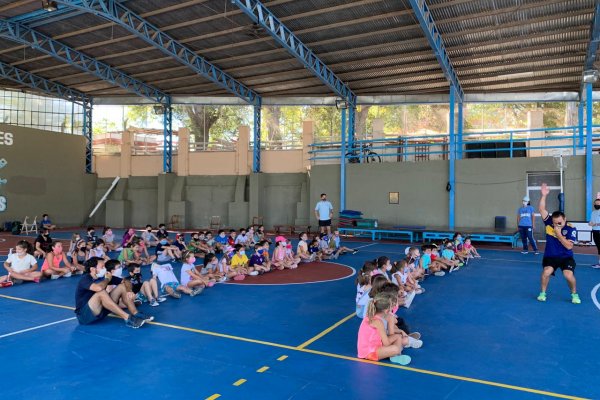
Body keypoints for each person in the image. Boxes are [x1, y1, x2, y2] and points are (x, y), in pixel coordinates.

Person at [74, 257, 148, 328]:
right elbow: (98, 288)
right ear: (93, 269)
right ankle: (128, 318)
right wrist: (107, 279)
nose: (105, 269)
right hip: (84, 316)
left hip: (100, 311)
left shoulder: (103, 277)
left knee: (122, 286)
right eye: (102, 267)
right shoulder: (85, 279)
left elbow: (126, 281)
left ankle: (135, 313)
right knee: (101, 292)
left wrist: (129, 291)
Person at [537, 183, 580, 304]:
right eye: (555, 223)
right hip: (550, 256)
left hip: (566, 257)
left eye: (559, 223)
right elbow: (541, 209)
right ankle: (543, 293)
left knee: (568, 275)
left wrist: (559, 233)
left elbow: (569, 246)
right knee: (546, 272)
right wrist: (544, 195)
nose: (557, 225)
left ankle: (574, 294)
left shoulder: (571, 229)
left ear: (565, 219)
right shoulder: (549, 223)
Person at [357, 292, 412, 365]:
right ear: (386, 310)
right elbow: (386, 343)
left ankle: (395, 355)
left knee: (398, 337)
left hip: (374, 346)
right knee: (395, 348)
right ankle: (395, 353)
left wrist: (397, 336)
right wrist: (395, 343)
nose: (393, 308)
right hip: (369, 353)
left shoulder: (371, 316)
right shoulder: (378, 322)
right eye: (391, 306)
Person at [588, 197, 600, 268]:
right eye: (595, 204)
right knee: (598, 247)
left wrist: (596, 224)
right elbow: (591, 221)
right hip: (594, 231)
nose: (596, 205)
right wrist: (590, 223)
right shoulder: (593, 212)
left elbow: (596, 223)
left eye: (598, 204)